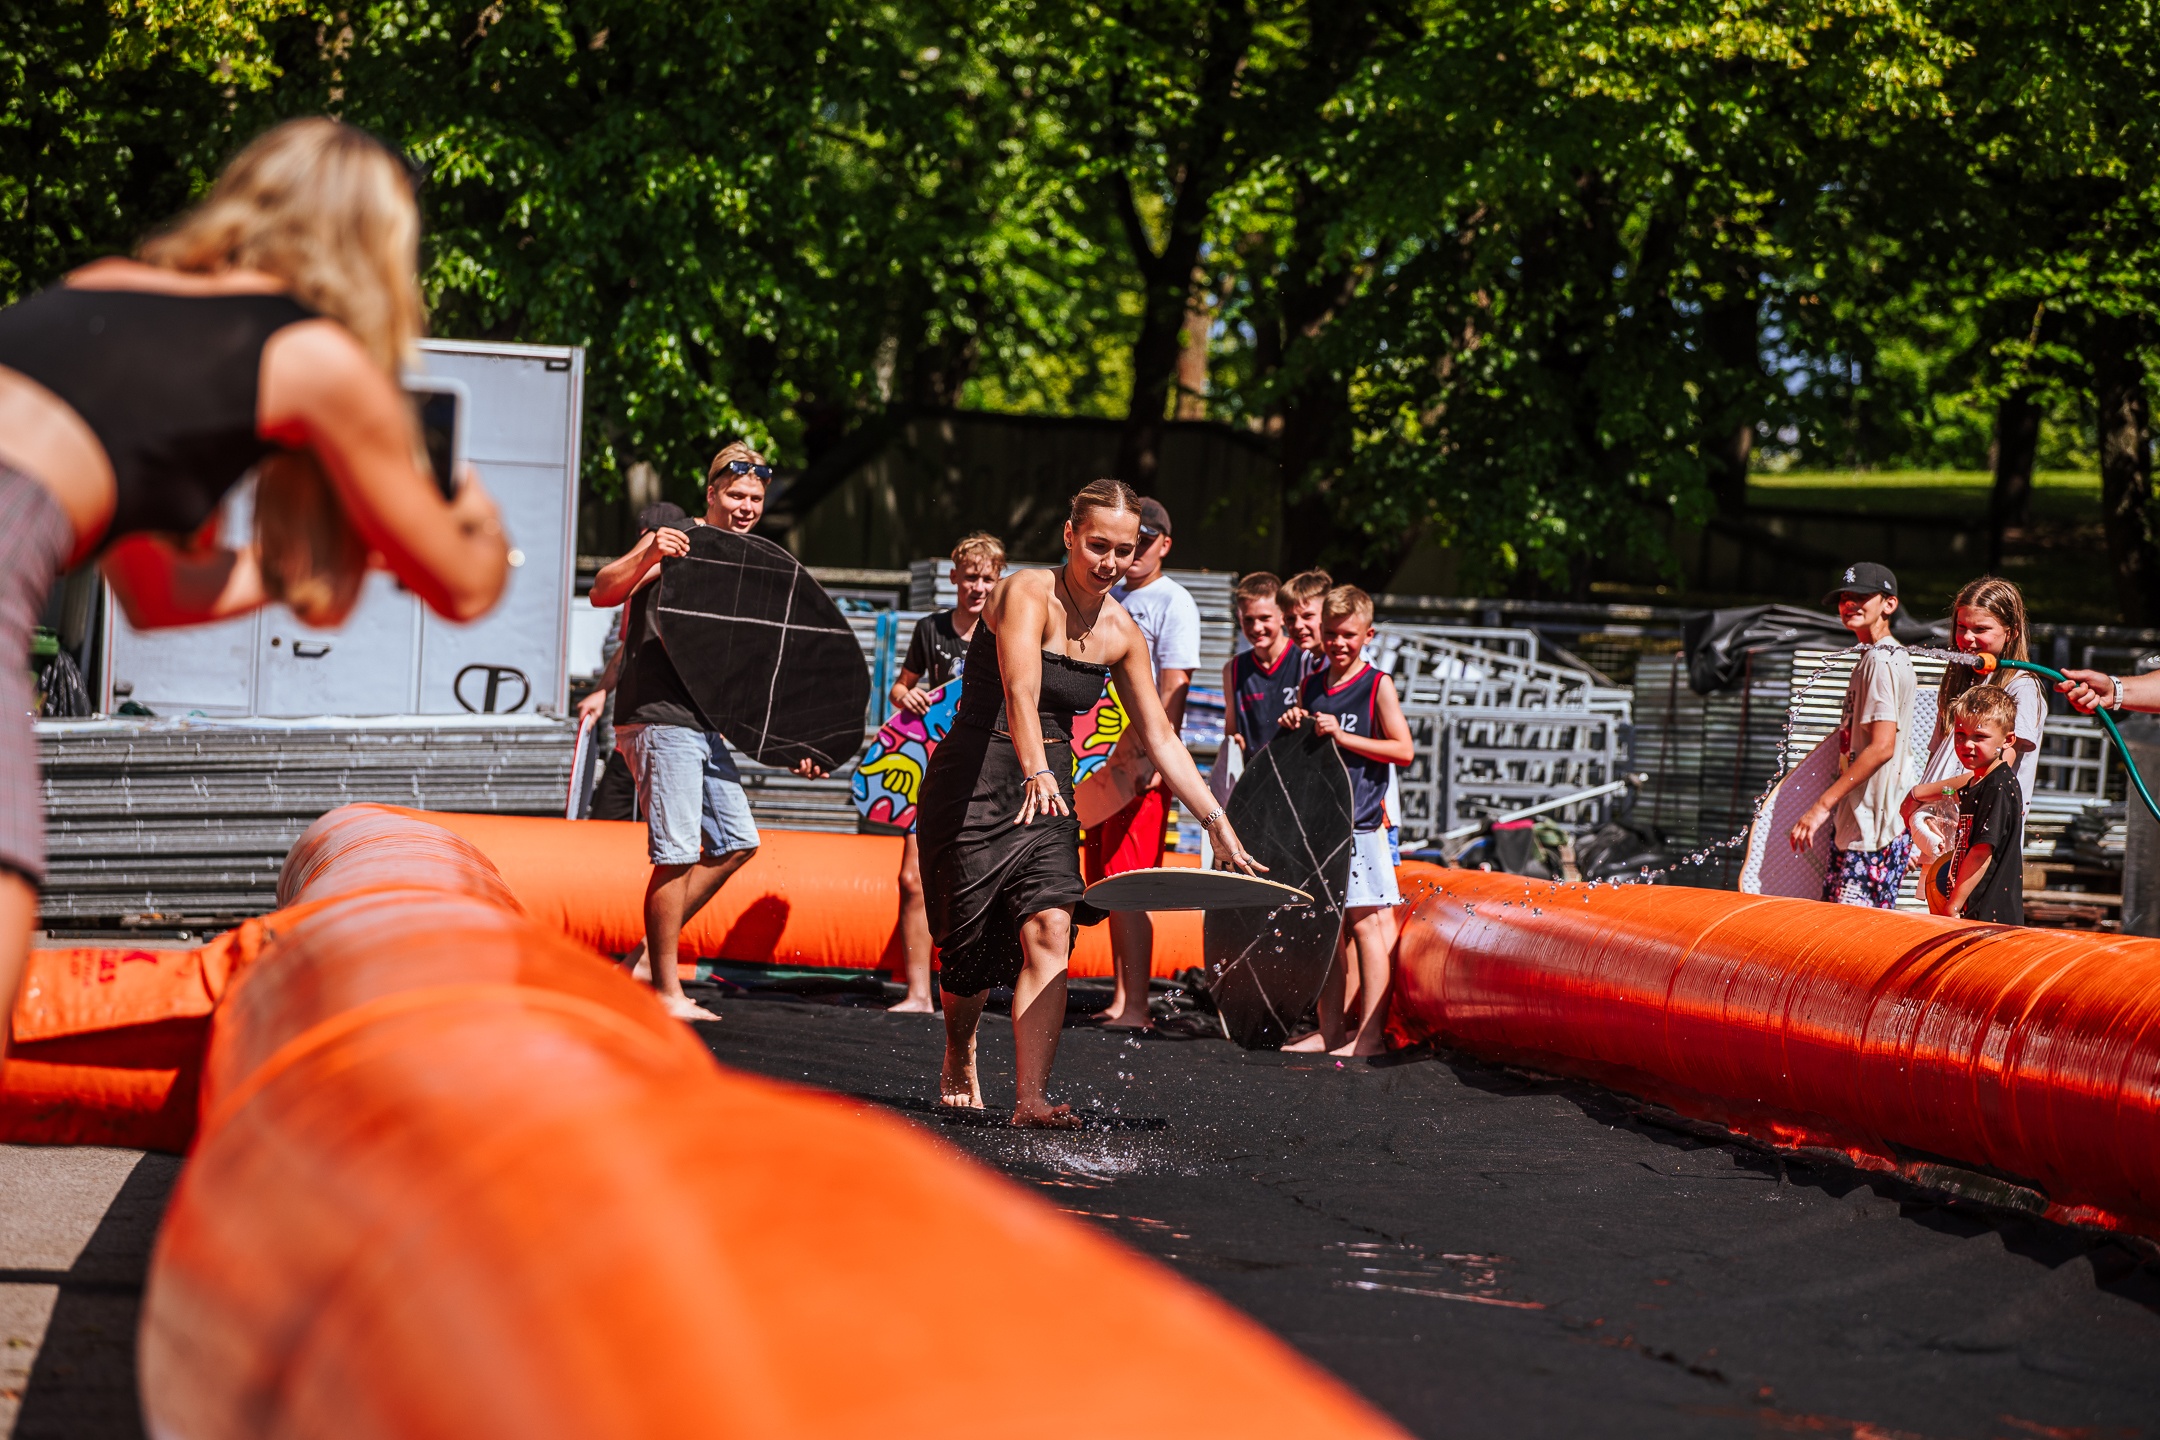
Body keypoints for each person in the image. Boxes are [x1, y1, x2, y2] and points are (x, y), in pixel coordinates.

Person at [0, 118, 511, 1063]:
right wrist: (462, 499)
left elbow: (160, 593)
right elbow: (463, 584)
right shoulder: (315, 356)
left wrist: (287, 573)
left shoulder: (99, 287)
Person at [918, 479, 1260, 1126]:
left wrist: (1215, 820)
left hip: (1050, 791)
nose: (1110, 562)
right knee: (966, 951)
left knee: (1052, 926)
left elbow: (1160, 736)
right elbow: (1020, 692)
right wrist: (1034, 770)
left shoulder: (1123, 631)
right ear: (1069, 535)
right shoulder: (1024, 591)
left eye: (1124, 550)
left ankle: (1030, 1098)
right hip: (976, 778)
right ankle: (960, 1050)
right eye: (1098, 545)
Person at [588, 442, 824, 1021]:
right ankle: (665, 990)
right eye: (736, 495)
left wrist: (789, 740)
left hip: (703, 722)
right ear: (712, 493)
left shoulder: (745, 560)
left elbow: (749, 667)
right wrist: (649, 553)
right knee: (676, 853)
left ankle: (640, 961)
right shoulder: (678, 537)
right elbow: (602, 591)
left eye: (755, 499)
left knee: (737, 841)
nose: (746, 507)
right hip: (659, 715)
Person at [1278, 586, 1415, 1057]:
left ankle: (1370, 1036)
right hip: (1322, 824)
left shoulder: (1377, 685)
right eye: (1332, 634)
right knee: (1325, 929)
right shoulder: (1313, 683)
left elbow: (1403, 749)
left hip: (1361, 824)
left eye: (1348, 635)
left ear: (1368, 635)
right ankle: (1331, 1031)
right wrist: (1294, 723)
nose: (1338, 643)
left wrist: (1344, 737)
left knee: (1367, 926)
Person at [1083, 496, 1201, 1030]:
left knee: (1129, 883)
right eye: (1133, 544)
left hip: (1142, 764)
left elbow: (1175, 685)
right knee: (1107, 881)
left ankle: (1136, 1006)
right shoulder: (1114, 595)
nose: (1136, 555)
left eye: (1146, 544)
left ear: (1165, 545)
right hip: (1101, 763)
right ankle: (1120, 997)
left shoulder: (1174, 602)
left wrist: (1155, 757)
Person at [877, 531, 1004, 1013]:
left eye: (987, 579)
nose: (978, 588)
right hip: (932, 767)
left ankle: (976, 989)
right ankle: (917, 993)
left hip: (989, 770)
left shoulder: (1008, 627)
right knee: (913, 879)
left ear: (1000, 580)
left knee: (979, 879)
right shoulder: (931, 629)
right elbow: (899, 690)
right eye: (970, 578)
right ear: (953, 578)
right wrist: (904, 695)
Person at [1788, 562, 1917, 908]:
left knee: (1852, 936)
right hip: (1866, 827)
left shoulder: (1881, 660)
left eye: (1862, 596)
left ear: (1889, 604)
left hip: (1872, 832)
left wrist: (1820, 807)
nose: (1849, 604)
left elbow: (1883, 747)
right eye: (1845, 597)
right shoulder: (1877, 656)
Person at [578, 501, 690, 821]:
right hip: (638, 729)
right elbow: (627, 643)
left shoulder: (675, 577)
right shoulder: (638, 577)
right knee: (609, 817)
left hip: (670, 728)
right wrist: (601, 692)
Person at [1917, 577, 2044, 814]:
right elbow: (1936, 757)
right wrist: (1922, 806)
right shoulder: (1958, 680)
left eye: (1981, 629)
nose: (1967, 638)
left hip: (1983, 823)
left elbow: (1995, 773)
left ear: (2012, 632)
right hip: (1938, 818)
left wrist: (1919, 794)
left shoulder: (2021, 686)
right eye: (1961, 627)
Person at [1906, 686, 2025, 924]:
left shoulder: (1997, 786)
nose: (1966, 744)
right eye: (1960, 734)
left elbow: (1981, 852)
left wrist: (1954, 904)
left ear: (2008, 740)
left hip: (1990, 913)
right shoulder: (1978, 782)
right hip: (1977, 908)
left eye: (1979, 737)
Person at [1223, 570, 1319, 757]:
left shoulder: (1305, 659)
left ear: (1282, 616)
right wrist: (1235, 743)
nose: (1256, 628)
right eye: (1248, 620)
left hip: (1297, 766)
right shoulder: (1233, 669)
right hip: (1254, 771)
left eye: (1264, 618)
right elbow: (1232, 731)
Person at [1281, 570, 1333, 657]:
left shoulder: (1340, 661)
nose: (1298, 626)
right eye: (1290, 619)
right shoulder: (1306, 658)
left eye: (1307, 616)